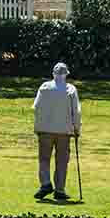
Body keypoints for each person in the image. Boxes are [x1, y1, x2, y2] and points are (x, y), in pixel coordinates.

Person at [31, 62, 80, 201]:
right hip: (64, 131)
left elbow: (36, 108)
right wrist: (77, 128)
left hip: (45, 130)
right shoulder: (71, 89)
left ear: (53, 74)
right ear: (66, 75)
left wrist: (38, 126)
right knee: (62, 161)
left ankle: (46, 184)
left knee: (44, 159)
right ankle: (59, 190)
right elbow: (76, 112)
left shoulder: (45, 87)